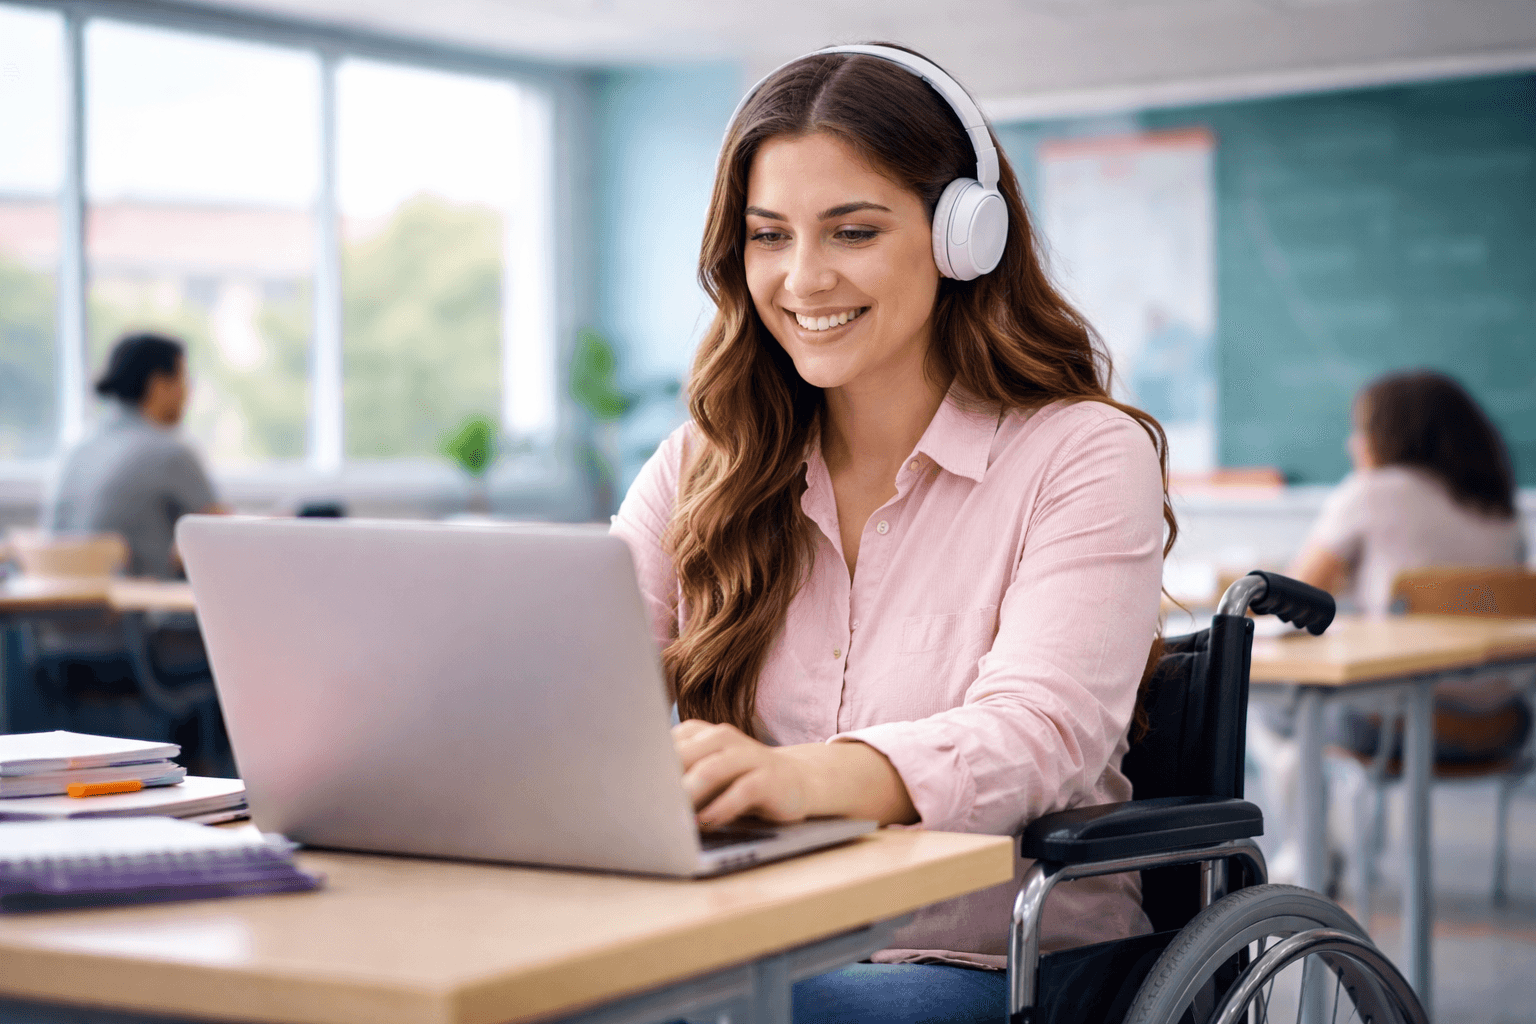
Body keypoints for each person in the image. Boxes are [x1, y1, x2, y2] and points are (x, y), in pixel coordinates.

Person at [609, 44, 1173, 1023]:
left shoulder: (1080, 453)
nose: (803, 277)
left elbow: (1038, 734)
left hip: (996, 965)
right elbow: (573, 675)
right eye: (769, 236)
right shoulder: (707, 460)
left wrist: (801, 778)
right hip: (759, 942)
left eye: (853, 231)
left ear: (964, 239)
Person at [1289, 369, 1529, 762]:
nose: (1352, 443)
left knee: (1274, 706)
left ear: (1385, 435)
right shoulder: (1501, 511)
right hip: (1503, 725)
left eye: (1361, 430)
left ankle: (1305, 798)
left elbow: (1289, 598)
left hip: (1393, 724)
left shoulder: (1370, 492)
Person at [44, 332, 228, 579]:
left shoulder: (77, 451)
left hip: (61, 599)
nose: (187, 393)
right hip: (139, 599)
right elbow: (228, 539)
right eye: (183, 379)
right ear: (159, 385)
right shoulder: (170, 453)